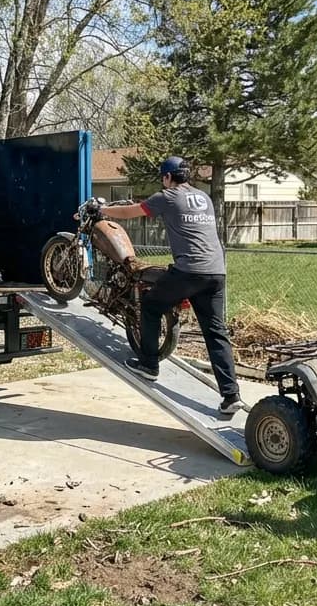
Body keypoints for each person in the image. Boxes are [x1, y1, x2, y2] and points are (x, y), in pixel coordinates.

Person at [92, 156, 243, 416]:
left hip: (189, 271)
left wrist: (102, 211)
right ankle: (231, 396)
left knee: (150, 306)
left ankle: (149, 365)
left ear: (167, 177)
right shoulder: (203, 197)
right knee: (215, 333)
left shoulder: (168, 196)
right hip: (217, 272)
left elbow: (132, 211)